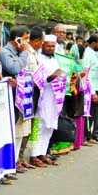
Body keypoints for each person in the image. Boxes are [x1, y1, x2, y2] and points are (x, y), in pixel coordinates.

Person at [28, 35, 68, 167]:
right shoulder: (38, 59)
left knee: (49, 126)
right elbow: (38, 79)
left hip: (54, 98)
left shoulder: (55, 59)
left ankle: (42, 153)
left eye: (52, 46)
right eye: (48, 46)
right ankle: (33, 155)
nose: (50, 48)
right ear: (43, 45)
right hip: (42, 97)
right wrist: (51, 77)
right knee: (38, 126)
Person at [0, 25, 34, 170]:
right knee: (9, 129)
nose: (28, 43)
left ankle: (12, 163)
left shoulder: (20, 52)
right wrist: (24, 53)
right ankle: (5, 165)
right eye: (26, 39)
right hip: (8, 97)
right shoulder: (5, 52)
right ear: (17, 39)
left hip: (19, 95)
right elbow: (14, 69)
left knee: (18, 129)